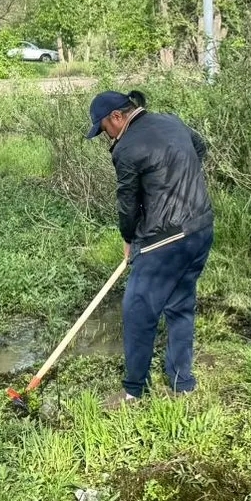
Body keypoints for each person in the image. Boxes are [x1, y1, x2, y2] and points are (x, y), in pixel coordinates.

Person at [86, 90, 213, 400]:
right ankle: (182, 383)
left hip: (164, 240)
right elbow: (200, 147)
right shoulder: (171, 120)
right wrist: (177, 178)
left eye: (104, 129)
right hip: (201, 228)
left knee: (138, 311)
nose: (106, 136)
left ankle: (133, 391)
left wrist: (129, 239)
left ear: (117, 117)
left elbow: (127, 204)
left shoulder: (126, 148)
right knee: (180, 306)